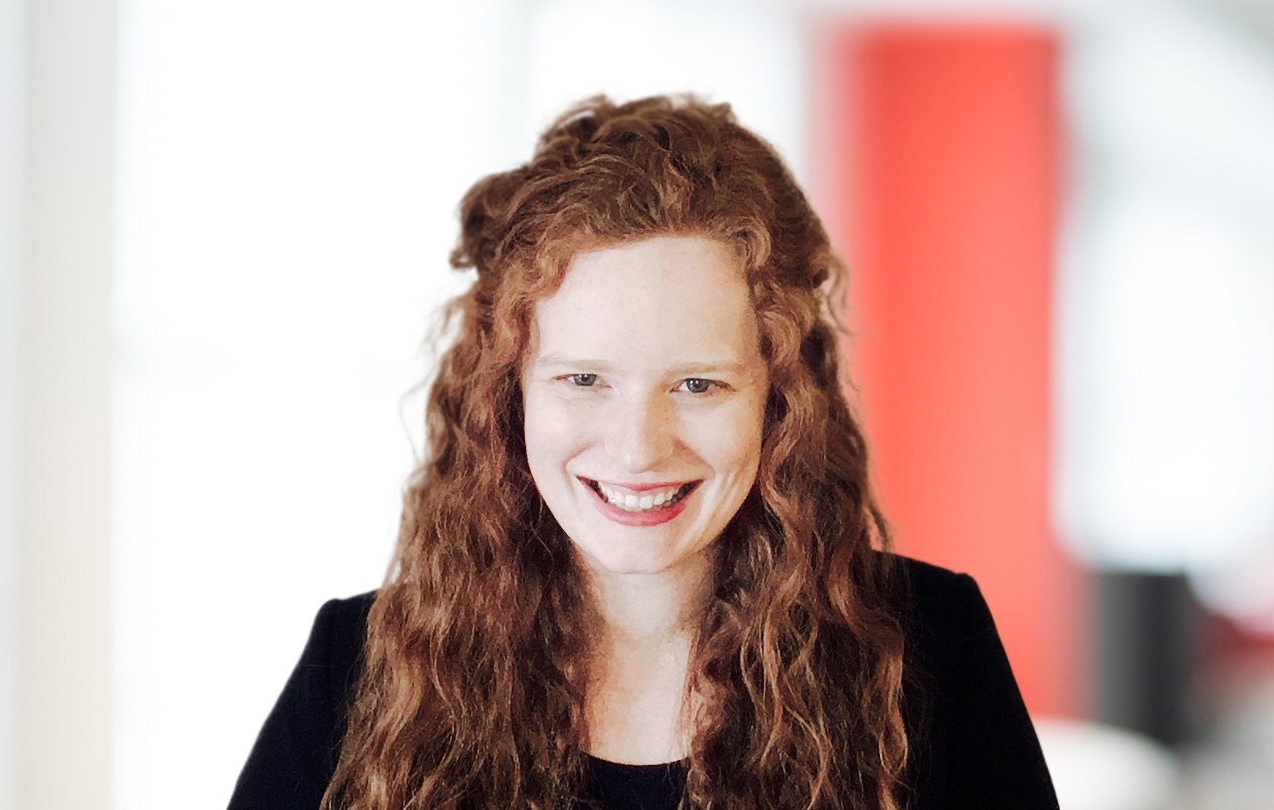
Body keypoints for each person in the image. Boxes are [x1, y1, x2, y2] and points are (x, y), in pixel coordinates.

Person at [229, 95, 1058, 810]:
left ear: (779, 398)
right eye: (585, 379)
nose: (637, 447)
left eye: (699, 385)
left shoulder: (932, 649)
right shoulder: (358, 664)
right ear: (507, 390)